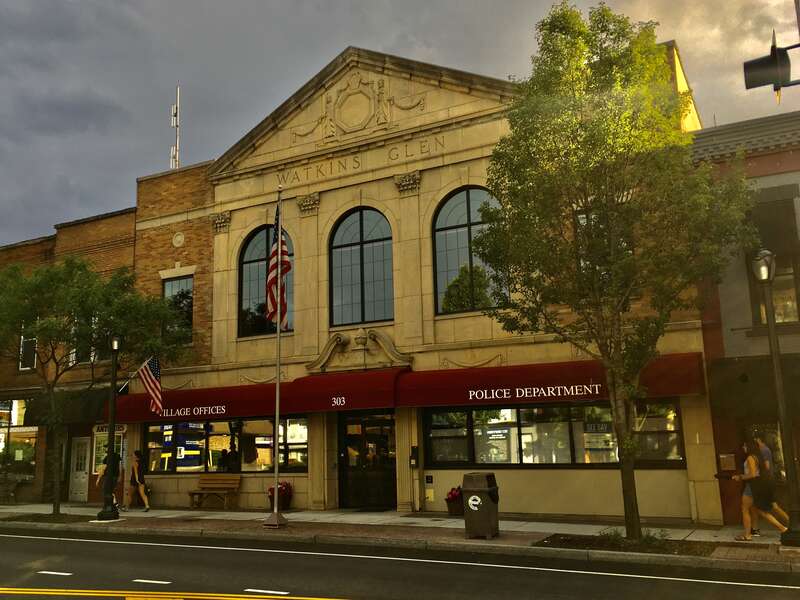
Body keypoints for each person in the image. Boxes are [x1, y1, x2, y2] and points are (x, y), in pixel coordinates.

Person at [732, 439, 787, 541]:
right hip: (760, 485)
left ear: (749, 447)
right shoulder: (758, 457)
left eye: (745, 446)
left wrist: (740, 477)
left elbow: (753, 474)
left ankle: (748, 535)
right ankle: (783, 528)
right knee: (761, 510)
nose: (743, 448)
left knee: (745, 509)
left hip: (752, 486)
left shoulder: (750, 458)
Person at [750, 432, 790, 536]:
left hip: (765, 481)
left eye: (754, 440)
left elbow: (766, 467)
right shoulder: (765, 449)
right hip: (768, 480)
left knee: (763, 507)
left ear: (758, 439)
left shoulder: (763, 450)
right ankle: (754, 529)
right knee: (772, 506)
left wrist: (756, 471)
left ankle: (785, 527)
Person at [95, 444, 121, 509]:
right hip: (115, 476)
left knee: (106, 490)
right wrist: (120, 476)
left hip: (108, 476)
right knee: (111, 490)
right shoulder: (117, 456)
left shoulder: (107, 457)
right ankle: (115, 503)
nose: (105, 450)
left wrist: (98, 479)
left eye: (106, 448)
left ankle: (109, 504)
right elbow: (120, 466)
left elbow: (103, 468)